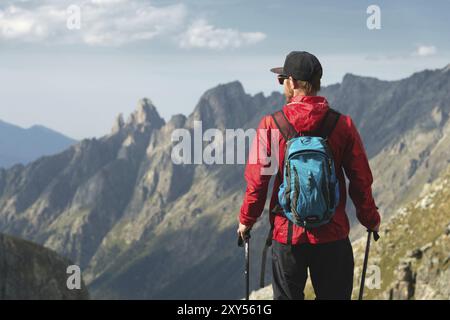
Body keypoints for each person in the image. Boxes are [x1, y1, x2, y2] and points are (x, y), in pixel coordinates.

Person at [237, 51, 381, 300]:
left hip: (287, 235)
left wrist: (246, 220)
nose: (282, 85)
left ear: (292, 82)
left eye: (282, 79)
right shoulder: (343, 125)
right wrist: (370, 219)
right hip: (333, 235)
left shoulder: (271, 124)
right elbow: (360, 180)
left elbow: (258, 182)